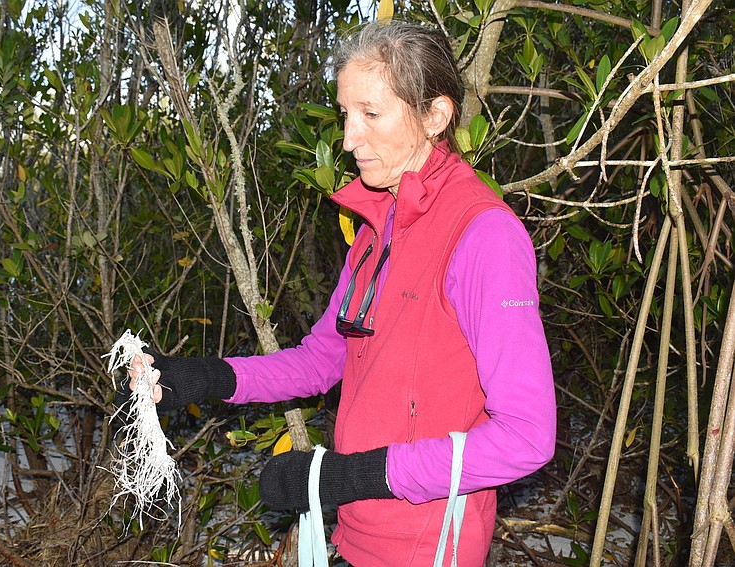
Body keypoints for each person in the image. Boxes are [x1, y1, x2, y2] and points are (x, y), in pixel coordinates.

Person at [124, 19, 556, 566]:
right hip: (356, 533)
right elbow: (321, 361)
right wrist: (198, 377)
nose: (349, 139)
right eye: (346, 115)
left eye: (371, 114)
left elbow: (527, 435)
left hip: (430, 547)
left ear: (436, 116)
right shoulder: (378, 230)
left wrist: (350, 475)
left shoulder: (483, 235)